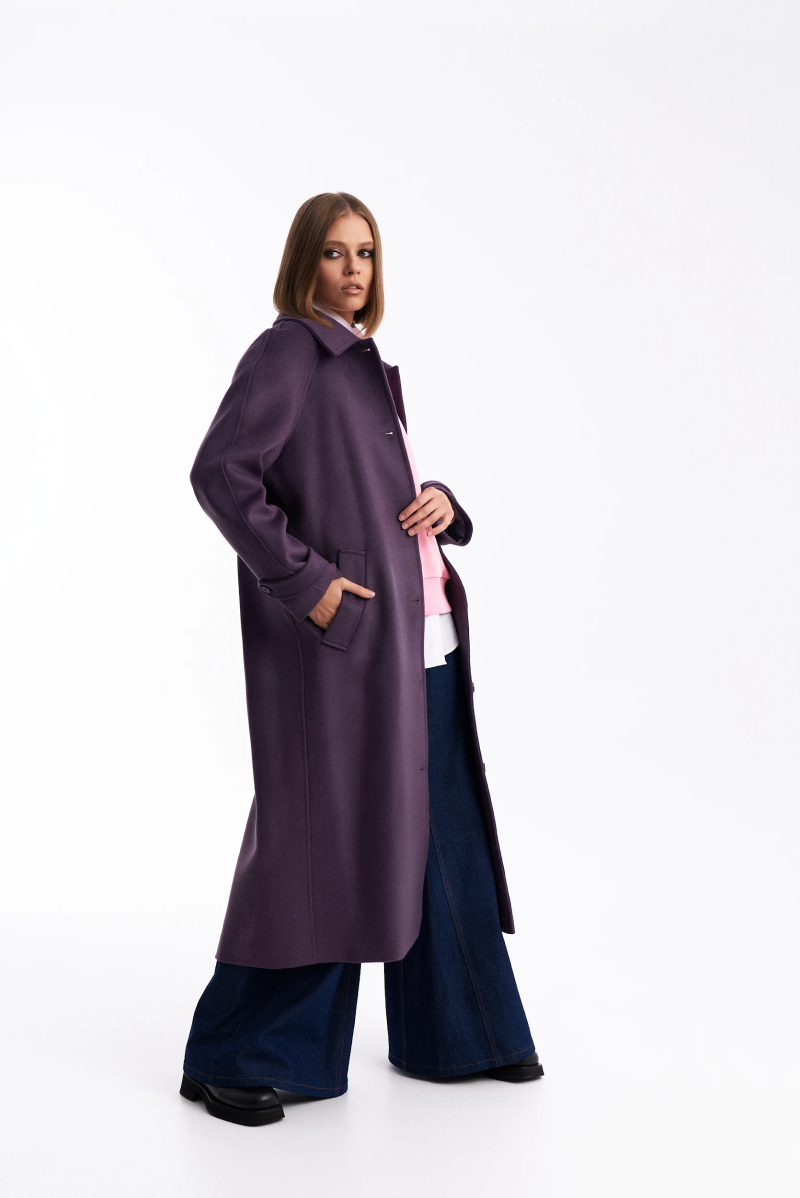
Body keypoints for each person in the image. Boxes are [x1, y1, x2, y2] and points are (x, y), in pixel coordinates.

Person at [180, 192, 543, 1126]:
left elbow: (371, 491)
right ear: (305, 261)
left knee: (443, 835)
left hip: (424, 638)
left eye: (368, 253)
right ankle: (240, 1054)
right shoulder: (291, 352)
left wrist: (441, 501)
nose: (354, 270)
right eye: (336, 253)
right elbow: (222, 474)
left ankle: (462, 1033)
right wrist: (308, 583)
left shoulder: (365, 363)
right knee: (325, 839)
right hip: (348, 646)